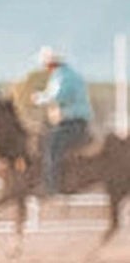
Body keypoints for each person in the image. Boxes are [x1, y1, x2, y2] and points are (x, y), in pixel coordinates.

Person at [32, 46, 92, 195]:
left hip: (72, 122)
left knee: (52, 147)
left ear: (50, 64)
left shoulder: (63, 76)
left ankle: (51, 186)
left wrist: (39, 98)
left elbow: (58, 96)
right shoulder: (65, 74)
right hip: (76, 120)